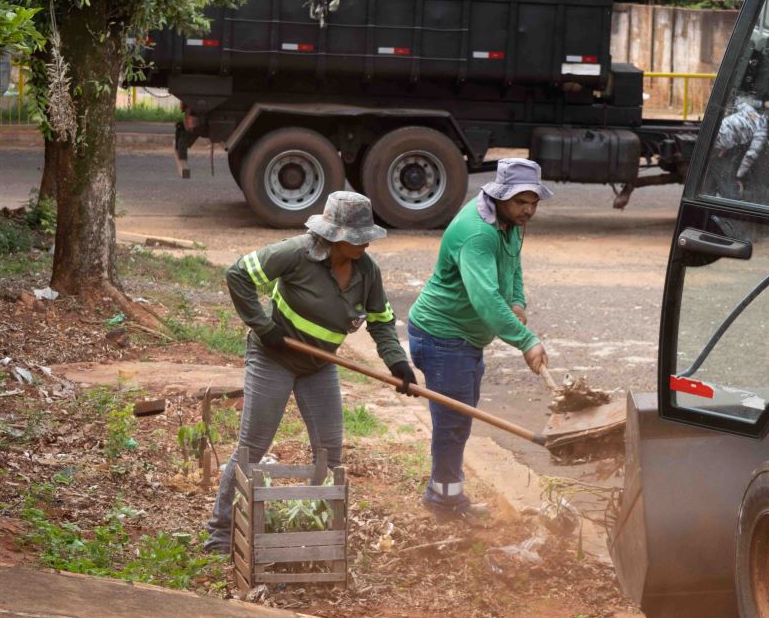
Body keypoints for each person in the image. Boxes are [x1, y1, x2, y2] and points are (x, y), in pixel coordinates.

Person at [204, 191, 417, 553]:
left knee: (330, 452)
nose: (364, 243)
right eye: (356, 236)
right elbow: (239, 273)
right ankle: (221, 535)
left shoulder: (367, 271)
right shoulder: (297, 252)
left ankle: (321, 535)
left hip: (320, 366)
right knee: (252, 448)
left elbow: (381, 321)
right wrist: (263, 326)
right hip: (274, 357)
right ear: (333, 235)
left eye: (367, 236)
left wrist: (398, 363)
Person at [407, 159, 552, 518]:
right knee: (453, 424)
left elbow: (514, 264)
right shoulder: (478, 233)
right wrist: (526, 340)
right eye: (521, 202)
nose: (529, 210)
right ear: (500, 195)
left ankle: (445, 497)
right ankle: (444, 502)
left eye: (533, 202)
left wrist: (517, 300)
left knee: (459, 421)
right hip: (441, 337)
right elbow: (486, 299)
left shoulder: (511, 222)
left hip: (465, 340)